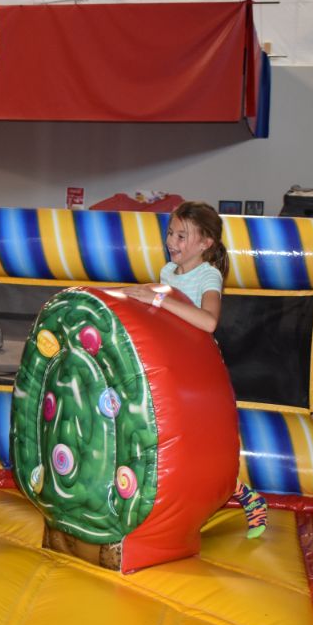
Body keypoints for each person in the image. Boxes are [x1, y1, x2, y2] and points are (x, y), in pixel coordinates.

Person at [124, 201, 270, 539]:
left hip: (199, 374)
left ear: (205, 244)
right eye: (170, 233)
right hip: (170, 370)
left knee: (196, 445)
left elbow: (208, 321)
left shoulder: (208, 275)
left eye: (181, 236)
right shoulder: (167, 272)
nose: (171, 242)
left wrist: (158, 300)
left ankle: (244, 495)